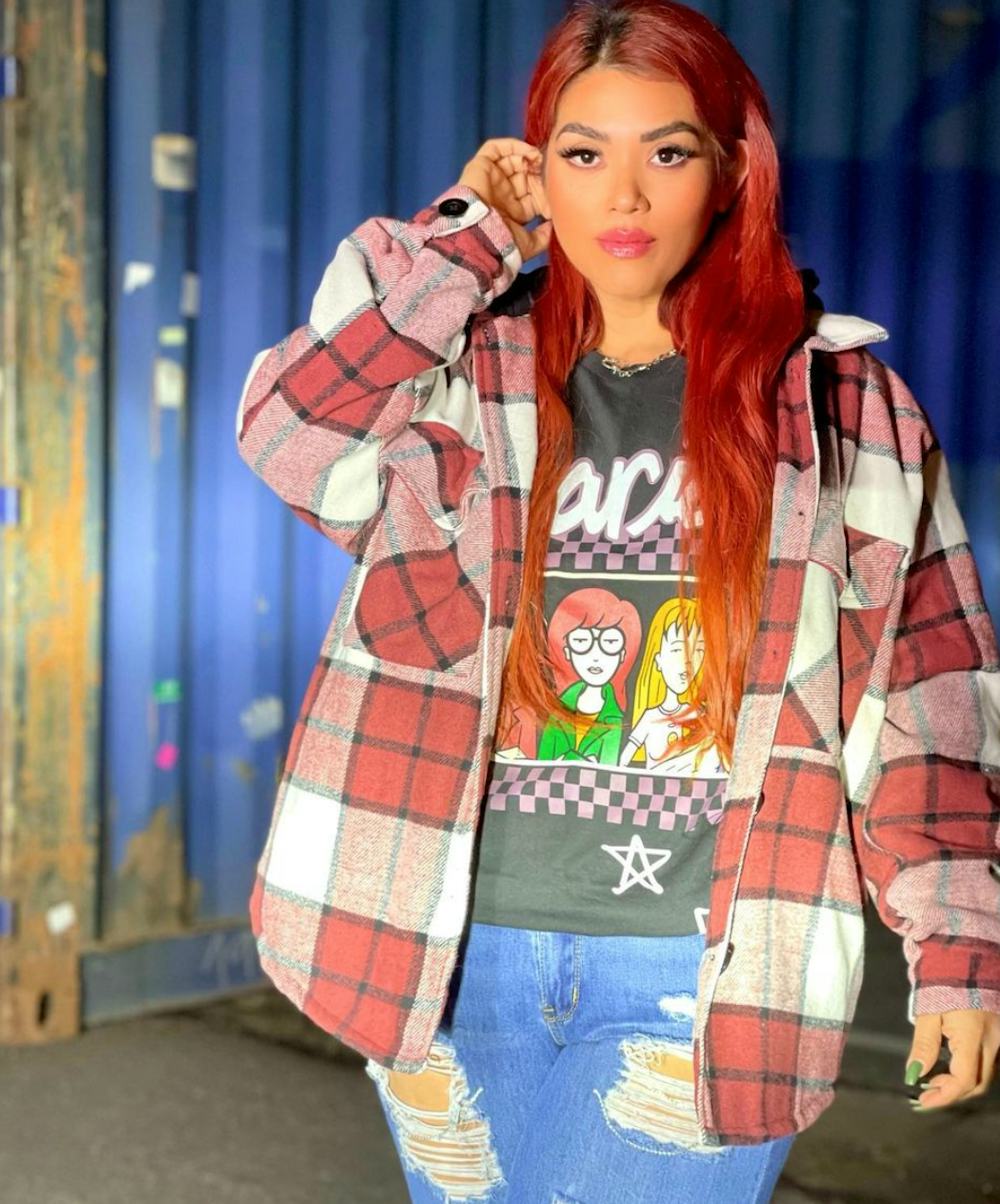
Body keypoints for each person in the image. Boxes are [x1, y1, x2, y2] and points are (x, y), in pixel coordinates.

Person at [235, 1, 1000, 1199]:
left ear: (729, 171)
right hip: (450, 956)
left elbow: (927, 693)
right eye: (584, 154)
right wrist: (468, 238)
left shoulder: (841, 407)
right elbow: (291, 432)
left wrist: (959, 945)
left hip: (699, 975)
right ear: (540, 172)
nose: (624, 195)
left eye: (668, 151)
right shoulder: (461, 373)